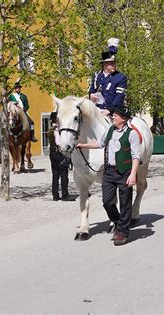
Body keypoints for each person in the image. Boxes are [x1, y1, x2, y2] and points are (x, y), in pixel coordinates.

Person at [77, 106, 141, 246]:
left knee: (125, 204)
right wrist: (83, 145)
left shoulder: (132, 134)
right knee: (107, 202)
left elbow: (136, 156)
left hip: (124, 171)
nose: (113, 117)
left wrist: (133, 174)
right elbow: (100, 144)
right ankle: (120, 223)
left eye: (116, 115)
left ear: (123, 119)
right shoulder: (110, 130)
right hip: (109, 171)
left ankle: (123, 233)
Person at [88, 48, 127, 116]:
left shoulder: (120, 77)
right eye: (111, 63)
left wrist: (109, 109)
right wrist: (91, 95)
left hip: (114, 112)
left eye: (114, 63)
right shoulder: (97, 76)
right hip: (98, 109)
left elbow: (119, 96)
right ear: (104, 64)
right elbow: (92, 90)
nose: (114, 65)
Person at [47, 112, 72, 201]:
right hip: (59, 154)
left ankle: (55, 195)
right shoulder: (56, 130)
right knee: (64, 175)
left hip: (52, 153)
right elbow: (58, 142)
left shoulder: (50, 129)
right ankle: (65, 194)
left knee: (55, 175)